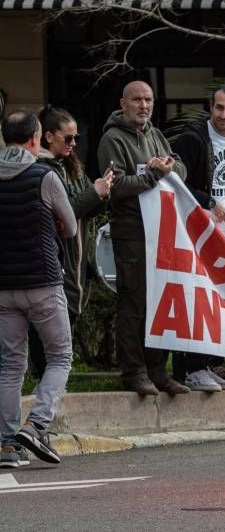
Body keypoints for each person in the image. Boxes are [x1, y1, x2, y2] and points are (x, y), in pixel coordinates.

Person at [98, 81, 190, 396]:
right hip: (131, 232)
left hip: (160, 232)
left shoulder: (155, 134)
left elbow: (180, 173)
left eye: (148, 100)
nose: (143, 105)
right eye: (137, 100)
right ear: (123, 103)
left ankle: (156, 370)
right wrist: (152, 175)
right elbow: (117, 186)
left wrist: (169, 166)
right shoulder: (112, 139)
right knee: (133, 302)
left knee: (158, 304)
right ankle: (134, 372)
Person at [0, 110, 77, 467]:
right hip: (43, 281)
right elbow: (72, 228)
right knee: (60, 355)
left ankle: (7, 446)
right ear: (35, 139)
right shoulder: (44, 175)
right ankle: (36, 425)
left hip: (3, 288)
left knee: (10, 365)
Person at [171, 85, 225, 393]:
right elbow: (177, 183)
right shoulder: (192, 139)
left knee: (214, 298)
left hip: (218, 232)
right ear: (210, 107)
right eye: (219, 108)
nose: (224, 115)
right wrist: (207, 202)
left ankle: (205, 365)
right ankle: (188, 368)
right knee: (194, 295)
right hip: (192, 229)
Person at [28, 107, 112, 376]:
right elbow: (61, 214)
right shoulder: (41, 169)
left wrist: (102, 193)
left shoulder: (72, 166)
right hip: (55, 259)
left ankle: (56, 376)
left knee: (70, 316)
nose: (74, 144)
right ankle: (45, 376)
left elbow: (86, 207)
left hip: (77, 257)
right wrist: (93, 193)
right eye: (68, 139)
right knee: (50, 325)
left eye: (76, 138)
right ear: (48, 136)